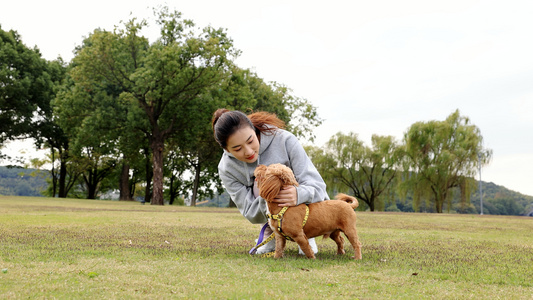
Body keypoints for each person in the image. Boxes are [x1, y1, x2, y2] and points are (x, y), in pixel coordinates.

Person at [212, 108, 329, 256]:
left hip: (306, 213)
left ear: (254, 130)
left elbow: (318, 187)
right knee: (261, 181)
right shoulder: (226, 168)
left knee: (280, 177)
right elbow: (249, 211)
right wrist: (270, 195)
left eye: (250, 141)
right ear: (226, 149)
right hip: (270, 217)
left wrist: (298, 194)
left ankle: (306, 233)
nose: (248, 151)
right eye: (237, 148)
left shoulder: (285, 140)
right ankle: (271, 234)